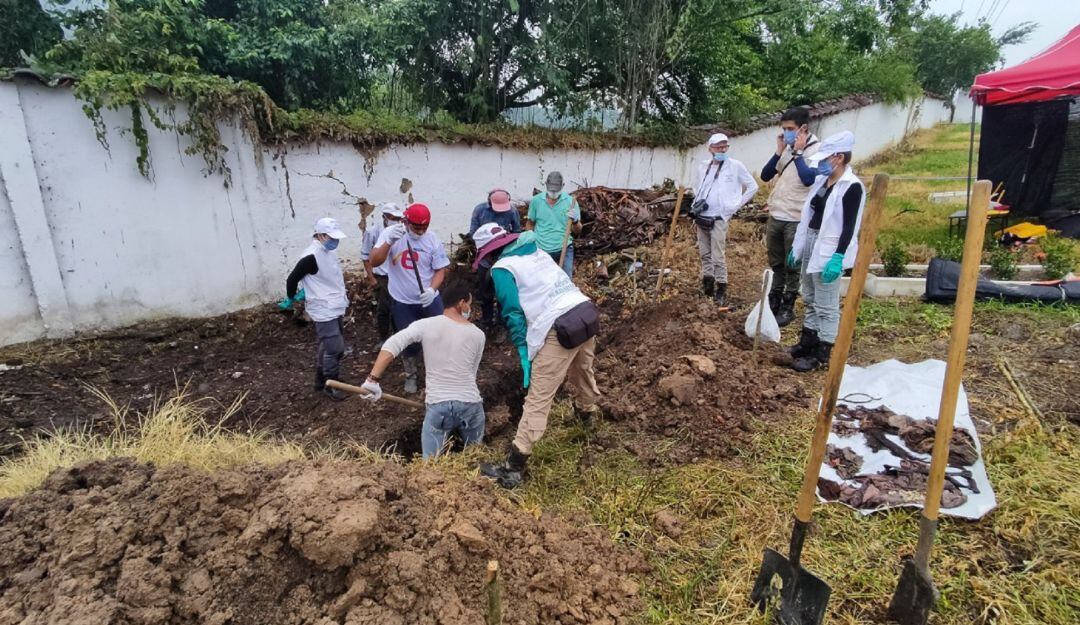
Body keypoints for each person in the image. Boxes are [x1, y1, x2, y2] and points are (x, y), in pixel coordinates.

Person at [470, 222, 602, 489]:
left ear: (489, 252)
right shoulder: (535, 250)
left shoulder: (502, 268)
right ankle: (589, 417)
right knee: (582, 370)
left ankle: (514, 466)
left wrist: (523, 349)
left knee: (538, 397)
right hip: (585, 312)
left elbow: (513, 312)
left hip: (560, 327)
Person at [359, 281, 486, 459]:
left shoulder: (426, 325)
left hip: (438, 406)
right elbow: (472, 374)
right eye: (469, 304)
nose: (469, 309)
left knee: (430, 468)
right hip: (470, 405)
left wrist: (372, 380)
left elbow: (393, 343)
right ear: (461, 303)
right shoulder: (478, 335)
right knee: (474, 457)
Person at [786, 130, 865, 372]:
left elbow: (850, 227)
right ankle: (807, 341)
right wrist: (798, 247)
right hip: (812, 241)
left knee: (826, 303)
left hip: (829, 248)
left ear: (839, 157)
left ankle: (823, 352)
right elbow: (809, 216)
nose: (820, 162)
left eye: (825, 158)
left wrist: (839, 256)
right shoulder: (822, 181)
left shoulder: (851, 187)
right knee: (809, 295)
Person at [369, 203, 450, 394]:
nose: (420, 232)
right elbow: (374, 261)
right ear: (406, 222)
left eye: (424, 227)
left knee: (439, 336)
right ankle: (411, 374)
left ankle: (440, 374)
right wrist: (388, 241)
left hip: (429, 299)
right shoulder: (392, 234)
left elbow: (440, 269)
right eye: (416, 228)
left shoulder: (432, 239)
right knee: (409, 340)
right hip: (403, 301)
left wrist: (432, 289)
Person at [760, 107, 820, 327]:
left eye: (790, 129)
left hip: (796, 217)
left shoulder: (816, 151)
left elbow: (807, 179)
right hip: (777, 213)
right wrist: (779, 151)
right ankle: (773, 300)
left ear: (803, 128)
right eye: (784, 129)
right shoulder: (785, 149)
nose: (786, 133)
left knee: (792, 264)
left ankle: (788, 305)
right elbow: (766, 175)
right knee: (776, 262)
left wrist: (799, 153)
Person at [284, 217, 351, 401]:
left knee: (327, 345)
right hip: (323, 309)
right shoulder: (310, 256)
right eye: (331, 237)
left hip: (334, 305)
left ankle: (320, 381)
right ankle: (331, 383)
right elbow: (292, 279)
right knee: (335, 348)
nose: (334, 241)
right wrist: (291, 298)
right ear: (320, 235)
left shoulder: (327, 252)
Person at [691, 133, 759, 306]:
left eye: (724, 146)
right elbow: (697, 187)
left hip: (719, 217)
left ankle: (721, 287)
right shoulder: (703, 167)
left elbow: (753, 186)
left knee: (717, 255)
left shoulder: (735, 166)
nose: (722, 149)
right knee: (704, 253)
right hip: (702, 216)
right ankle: (707, 284)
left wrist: (735, 205)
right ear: (710, 148)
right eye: (718, 147)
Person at [469, 189, 522, 332]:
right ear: (489, 202)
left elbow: (517, 232)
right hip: (485, 258)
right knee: (485, 292)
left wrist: (503, 240)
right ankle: (487, 321)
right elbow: (473, 233)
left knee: (502, 291)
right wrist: (488, 240)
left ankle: (501, 324)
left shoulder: (512, 211)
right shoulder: (480, 210)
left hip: (504, 257)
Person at [360, 203, 404, 345]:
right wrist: (371, 278)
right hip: (382, 277)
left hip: (398, 276)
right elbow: (366, 256)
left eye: (398, 218)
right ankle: (384, 337)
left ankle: (398, 336)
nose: (395, 220)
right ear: (384, 217)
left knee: (399, 307)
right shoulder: (373, 232)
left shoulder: (402, 231)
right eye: (392, 217)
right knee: (383, 308)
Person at [526, 171, 581, 276]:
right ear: (546, 185)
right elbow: (530, 223)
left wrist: (575, 221)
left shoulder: (570, 202)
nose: (554, 193)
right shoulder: (536, 201)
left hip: (564, 248)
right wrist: (530, 239)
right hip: (541, 249)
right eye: (551, 190)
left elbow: (578, 231)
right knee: (542, 281)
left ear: (563, 186)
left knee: (565, 281)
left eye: (557, 190)